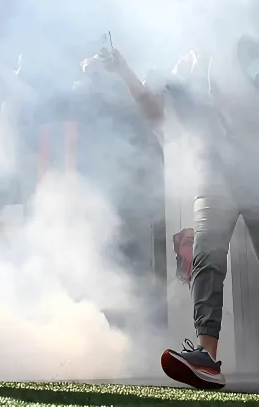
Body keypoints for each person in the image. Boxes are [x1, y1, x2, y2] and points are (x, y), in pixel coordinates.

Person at [101, 40, 259, 391]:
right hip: (216, 179)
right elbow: (154, 109)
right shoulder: (182, 76)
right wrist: (123, 70)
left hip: (254, 170)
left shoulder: (243, 50)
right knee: (206, 255)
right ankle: (206, 356)